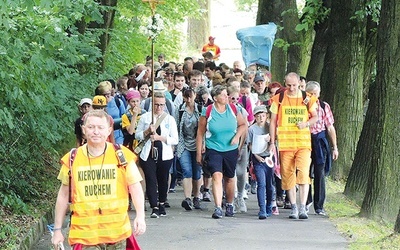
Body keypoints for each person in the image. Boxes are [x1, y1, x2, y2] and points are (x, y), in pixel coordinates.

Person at [51, 110, 146, 249]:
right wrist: (57, 230)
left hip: (117, 233)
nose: (96, 132)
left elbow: (135, 187)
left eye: (100, 127)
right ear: (84, 130)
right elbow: (63, 195)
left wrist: (140, 216)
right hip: (85, 236)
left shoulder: (122, 155)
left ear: (108, 130)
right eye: (91, 127)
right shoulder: (72, 158)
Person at [268, 72, 318, 220]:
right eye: (288, 85)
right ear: (285, 83)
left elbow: (315, 116)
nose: (291, 88)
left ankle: (303, 207)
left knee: (303, 173)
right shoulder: (278, 99)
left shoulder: (307, 97)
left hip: (303, 143)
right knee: (288, 175)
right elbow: (272, 121)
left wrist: (306, 124)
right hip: (285, 144)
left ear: (299, 83)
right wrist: (272, 142)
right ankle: (293, 207)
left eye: (294, 85)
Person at [196, 85, 247, 219]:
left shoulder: (234, 109)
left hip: (230, 149)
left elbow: (243, 125)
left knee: (229, 178)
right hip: (214, 148)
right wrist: (198, 152)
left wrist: (236, 137)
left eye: (226, 94)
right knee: (217, 176)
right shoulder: (207, 111)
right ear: (215, 98)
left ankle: (229, 204)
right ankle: (218, 207)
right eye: (223, 95)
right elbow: (200, 132)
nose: (227, 97)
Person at [135, 92, 179, 218]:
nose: (158, 108)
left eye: (161, 105)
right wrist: (147, 131)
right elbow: (137, 135)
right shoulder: (145, 118)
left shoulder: (169, 119)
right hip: (148, 153)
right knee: (150, 178)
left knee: (163, 179)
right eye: (156, 105)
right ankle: (154, 206)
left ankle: (162, 203)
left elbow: (175, 139)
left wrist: (160, 138)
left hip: (164, 154)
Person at [305, 81, 339, 216]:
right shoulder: (302, 106)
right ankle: (306, 201)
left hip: (320, 141)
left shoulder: (324, 107)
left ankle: (319, 206)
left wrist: (334, 147)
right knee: (304, 172)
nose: (313, 96)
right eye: (310, 93)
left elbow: (330, 127)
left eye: (315, 94)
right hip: (305, 141)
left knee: (319, 173)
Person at [175, 88, 203, 210]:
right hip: (184, 143)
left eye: (191, 96)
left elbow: (204, 129)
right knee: (187, 171)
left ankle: (196, 196)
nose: (189, 100)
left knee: (197, 173)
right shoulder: (180, 110)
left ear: (195, 96)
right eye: (186, 97)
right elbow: (176, 127)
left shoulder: (201, 110)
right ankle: (187, 198)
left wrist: (203, 146)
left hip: (197, 144)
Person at [248, 105, 275, 219]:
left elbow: (275, 142)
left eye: (263, 116)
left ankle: (269, 206)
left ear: (266, 116)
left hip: (269, 158)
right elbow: (249, 144)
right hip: (258, 159)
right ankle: (262, 209)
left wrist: (271, 141)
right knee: (261, 184)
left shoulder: (270, 127)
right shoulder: (252, 129)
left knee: (269, 185)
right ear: (255, 117)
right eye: (258, 116)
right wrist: (256, 156)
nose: (261, 118)